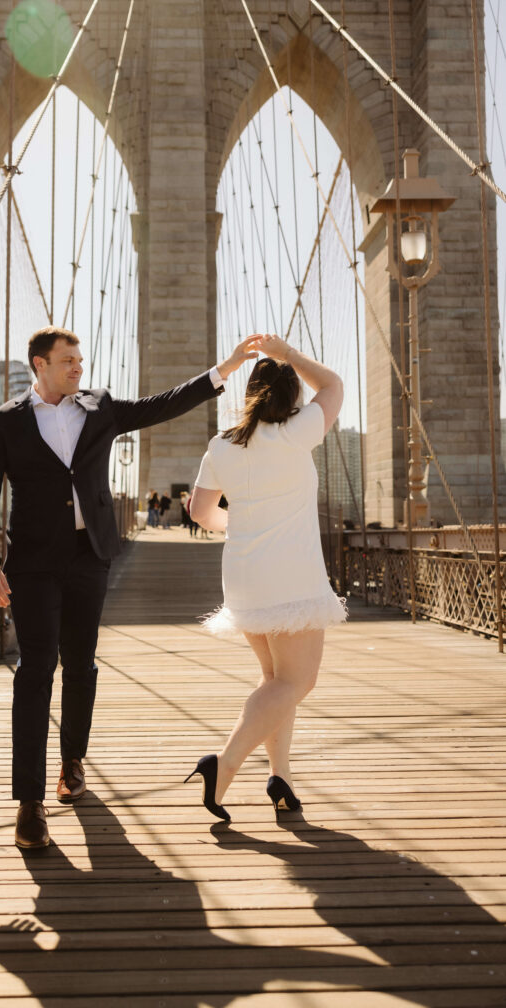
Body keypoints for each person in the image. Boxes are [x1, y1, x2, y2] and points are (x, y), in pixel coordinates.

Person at [0, 325, 261, 849]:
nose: (78, 367)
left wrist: (224, 371)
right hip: (33, 563)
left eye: (81, 360)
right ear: (39, 364)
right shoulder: (5, 422)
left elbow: (161, 405)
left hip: (91, 556)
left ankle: (72, 762)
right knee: (35, 670)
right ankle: (29, 804)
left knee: (80, 664)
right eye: (68, 361)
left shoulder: (99, 408)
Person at [184, 333, 346, 824]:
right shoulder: (300, 430)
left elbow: (199, 511)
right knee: (299, 680)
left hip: (245, 574)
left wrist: (242, 524)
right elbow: (335, 384)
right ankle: (224, 763)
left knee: (278, 680)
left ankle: (281, 777)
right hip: (292, 575)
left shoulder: (222, 445)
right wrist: (289, 354)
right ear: (292, 396)